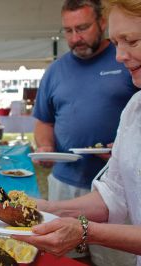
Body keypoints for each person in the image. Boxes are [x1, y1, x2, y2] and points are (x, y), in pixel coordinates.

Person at [14, 1, 141, 265]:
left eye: (132, 41)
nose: (119, 56)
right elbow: (114, 194)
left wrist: (86, 230)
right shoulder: (134, 109)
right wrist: (49, 208)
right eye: (117, 43)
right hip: (67, 179)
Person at [32, 0, 137, 201]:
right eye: (68, 31)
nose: (75, 38)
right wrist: (45, 146)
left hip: (118, 182)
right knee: (61, 227)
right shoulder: (55, 70)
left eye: (82, 28)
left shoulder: (125, 58)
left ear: (102, 22)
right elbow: (44, 120)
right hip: (65, 179)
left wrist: (127, 146)